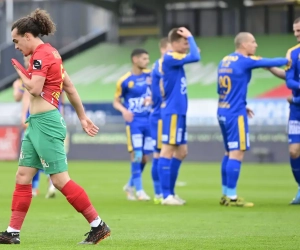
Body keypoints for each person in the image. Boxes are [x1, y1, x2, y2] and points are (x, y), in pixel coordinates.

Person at [0, 9, 110, 245]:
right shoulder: (52, 55)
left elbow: (35, 89)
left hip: (47, 124)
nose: (16, 46)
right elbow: (69, 87)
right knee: (22, 176)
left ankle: (98, 225)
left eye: (17, 41)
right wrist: (82, 117)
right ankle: (12, 232)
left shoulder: (42, 55)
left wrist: (20, 72)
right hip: (37, 123)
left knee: (60, 181)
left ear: (28, 35)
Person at [217, 32, 289, 207]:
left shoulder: (225, 60)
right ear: (244, 45)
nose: (256, 45)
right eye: (253, 42)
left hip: (223, 110)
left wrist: (241, 103)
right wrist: (288, 58)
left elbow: (223, 88)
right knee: (237, 153)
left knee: (228, 152)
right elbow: (274, 62)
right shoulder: (244, 60)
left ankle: (226, 194)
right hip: (235, 114)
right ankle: (233, 198)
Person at [158, 27, 200, 205]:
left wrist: (190, 40)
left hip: (179, 111)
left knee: (182, 151)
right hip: (173, 111)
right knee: (167, 150)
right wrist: (190, 36)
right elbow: (196, 56)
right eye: (184, 42)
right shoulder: (170, 56)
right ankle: (165, 195)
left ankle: (171, 193)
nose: (187, 45)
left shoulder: (176, 59)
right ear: (174, 43)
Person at [267, 17, 300, 204]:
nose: (296, 34)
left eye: (299, 31)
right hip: (296, 108)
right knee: (294, 151)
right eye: (295, 31)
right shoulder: (292, 53)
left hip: (295, 100)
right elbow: (289, 80)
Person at [113, 49, 152, 201]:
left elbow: (159, 92)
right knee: (137, 155)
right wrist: (124, 110)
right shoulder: (124, 80)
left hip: (148, 121)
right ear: (135, 59)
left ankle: (129, 185)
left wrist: (152, 100)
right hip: (133, 122)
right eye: (144, 58)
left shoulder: (151, 76)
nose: (147, 61)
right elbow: (116, 101)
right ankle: (140, 192)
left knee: (144, 158)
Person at [150, 38, 171, 204]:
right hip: (159, 116)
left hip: (161, 114)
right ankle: (159, 193)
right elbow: (162, 89)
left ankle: (165, 192)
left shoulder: (159, 65)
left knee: (164, 152)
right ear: (164, 48)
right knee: (159, 153)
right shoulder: (162, 64)